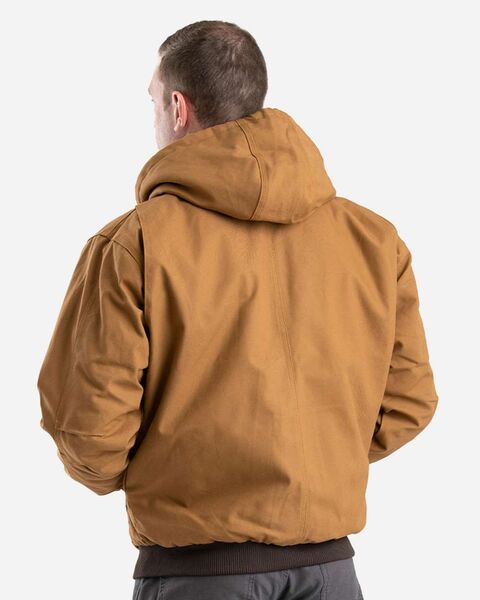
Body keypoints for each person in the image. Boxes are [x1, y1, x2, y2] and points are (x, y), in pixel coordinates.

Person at [37, 19, 439, 600]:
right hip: (331, 571)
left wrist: (167, 476)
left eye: (153, 102)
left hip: (198, 573)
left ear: (179, 108)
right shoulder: (374, 241)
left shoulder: (136, 243)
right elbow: (410, 400)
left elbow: (88, 426)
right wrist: (320, 461)